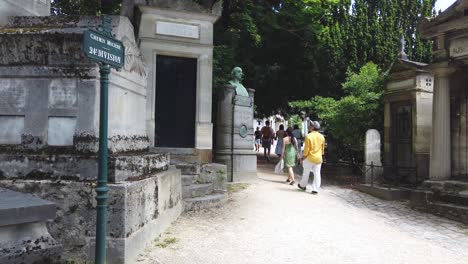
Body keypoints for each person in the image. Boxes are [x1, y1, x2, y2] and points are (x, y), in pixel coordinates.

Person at [298, 121, 325, 194]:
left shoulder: (308, 136)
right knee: (317, 174)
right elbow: (322, 149)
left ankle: (303, 186)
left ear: (313, 127)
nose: (309, 127)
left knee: (306, 173)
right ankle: (315, 189)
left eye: (310, 126)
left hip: (309, 158)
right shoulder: (322, 137)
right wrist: (321, 155)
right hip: (318, 158)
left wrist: (303, 157)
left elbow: (307, 149)